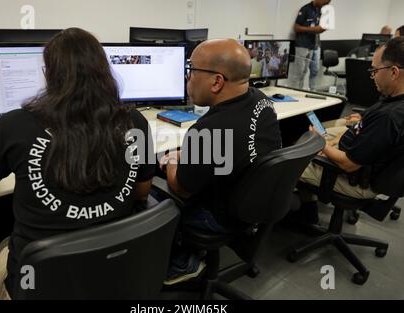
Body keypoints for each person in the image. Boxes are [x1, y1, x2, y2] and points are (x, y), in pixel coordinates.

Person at [0, 28, 155, 299]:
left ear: (48, 73)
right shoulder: (136, 123)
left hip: (37, 284)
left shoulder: (14, 125)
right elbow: (142, 192)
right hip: (110, 270)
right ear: (104, 71)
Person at [158, 39, 282, 284]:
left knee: (152, 188)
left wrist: (172, 159)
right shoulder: (261, 101)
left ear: (216, 81)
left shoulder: (209, 130)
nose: (188, 78)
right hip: (252, 205)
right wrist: (192, 153)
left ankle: (182, 262)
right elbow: (236, 146)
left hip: (217, 218)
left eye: (191, 71)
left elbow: (180, 187)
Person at [297, 37, 404, 223]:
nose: (372, 76)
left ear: (394, 72)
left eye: (375, 70)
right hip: (364, 162)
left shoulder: (389, 117)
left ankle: (306, 216)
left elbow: (349, 164)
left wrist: (321, 144)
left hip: (355, 179)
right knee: (320, 134)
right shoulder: (394, 100)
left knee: (288, 164)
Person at [292, 0, 332, 90]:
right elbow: (296, 27)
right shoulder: (305, 9)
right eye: (325, 2)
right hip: (302, 45)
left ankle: (312, 91)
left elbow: (319, 27)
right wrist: (313, 29)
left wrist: (323, 27)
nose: (326, 5)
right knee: (300, 72)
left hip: (314, 45)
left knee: (313, 70)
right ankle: (296, 92)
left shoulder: (319, 11)